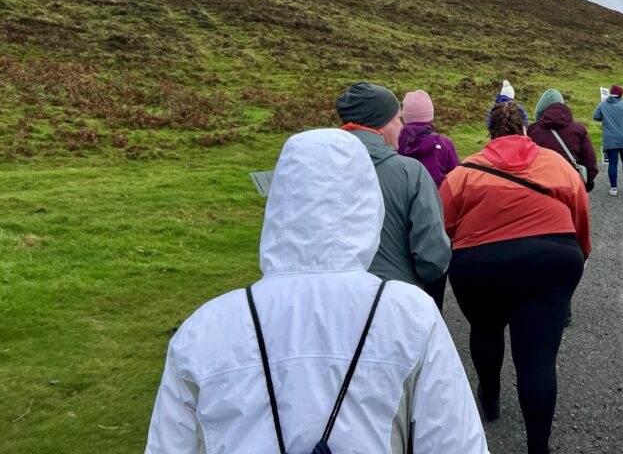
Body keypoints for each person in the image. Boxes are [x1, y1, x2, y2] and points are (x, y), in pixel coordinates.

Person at [146, 128, 487, 453]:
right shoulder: (409, 314)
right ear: (368, 203)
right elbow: (456, 442)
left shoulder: (202, 331)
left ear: (279, 200)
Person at [440, 100, 591, 454]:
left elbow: (444, 224)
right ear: (525, 129)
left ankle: (489, 398)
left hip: (479, 265)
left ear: (489, 133)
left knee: (485, 328)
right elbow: (580, 213)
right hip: (550, 260)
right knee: (537, 356)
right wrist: (581, 253)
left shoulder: (464, 172)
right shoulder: (557, 165)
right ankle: (538, 445)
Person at [336, 82, 450, 310]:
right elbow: (433, 259)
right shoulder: (411, 172)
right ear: (383, 122)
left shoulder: (317, 168)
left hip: (329, 302)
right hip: (392, 301)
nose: (401, 126)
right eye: (398, 119)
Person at [528, 88, 599, 192]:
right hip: (571, 185)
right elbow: (590, 160)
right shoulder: (579, 129)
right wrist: (586, 184)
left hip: (541, 187)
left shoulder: (532, 130)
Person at [398, 89, 460, 188]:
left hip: (401, 201)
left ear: (404, 116)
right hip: (437, 201)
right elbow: (457, 180)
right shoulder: (444, 144)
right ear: (431, 115)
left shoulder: (394, 142)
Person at [592, 84, 623, 196]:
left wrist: (605, 116)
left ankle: (613, 188)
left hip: (610, 139)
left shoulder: (603, 105)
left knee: (612, 163)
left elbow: (595, 117)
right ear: (620, 94)